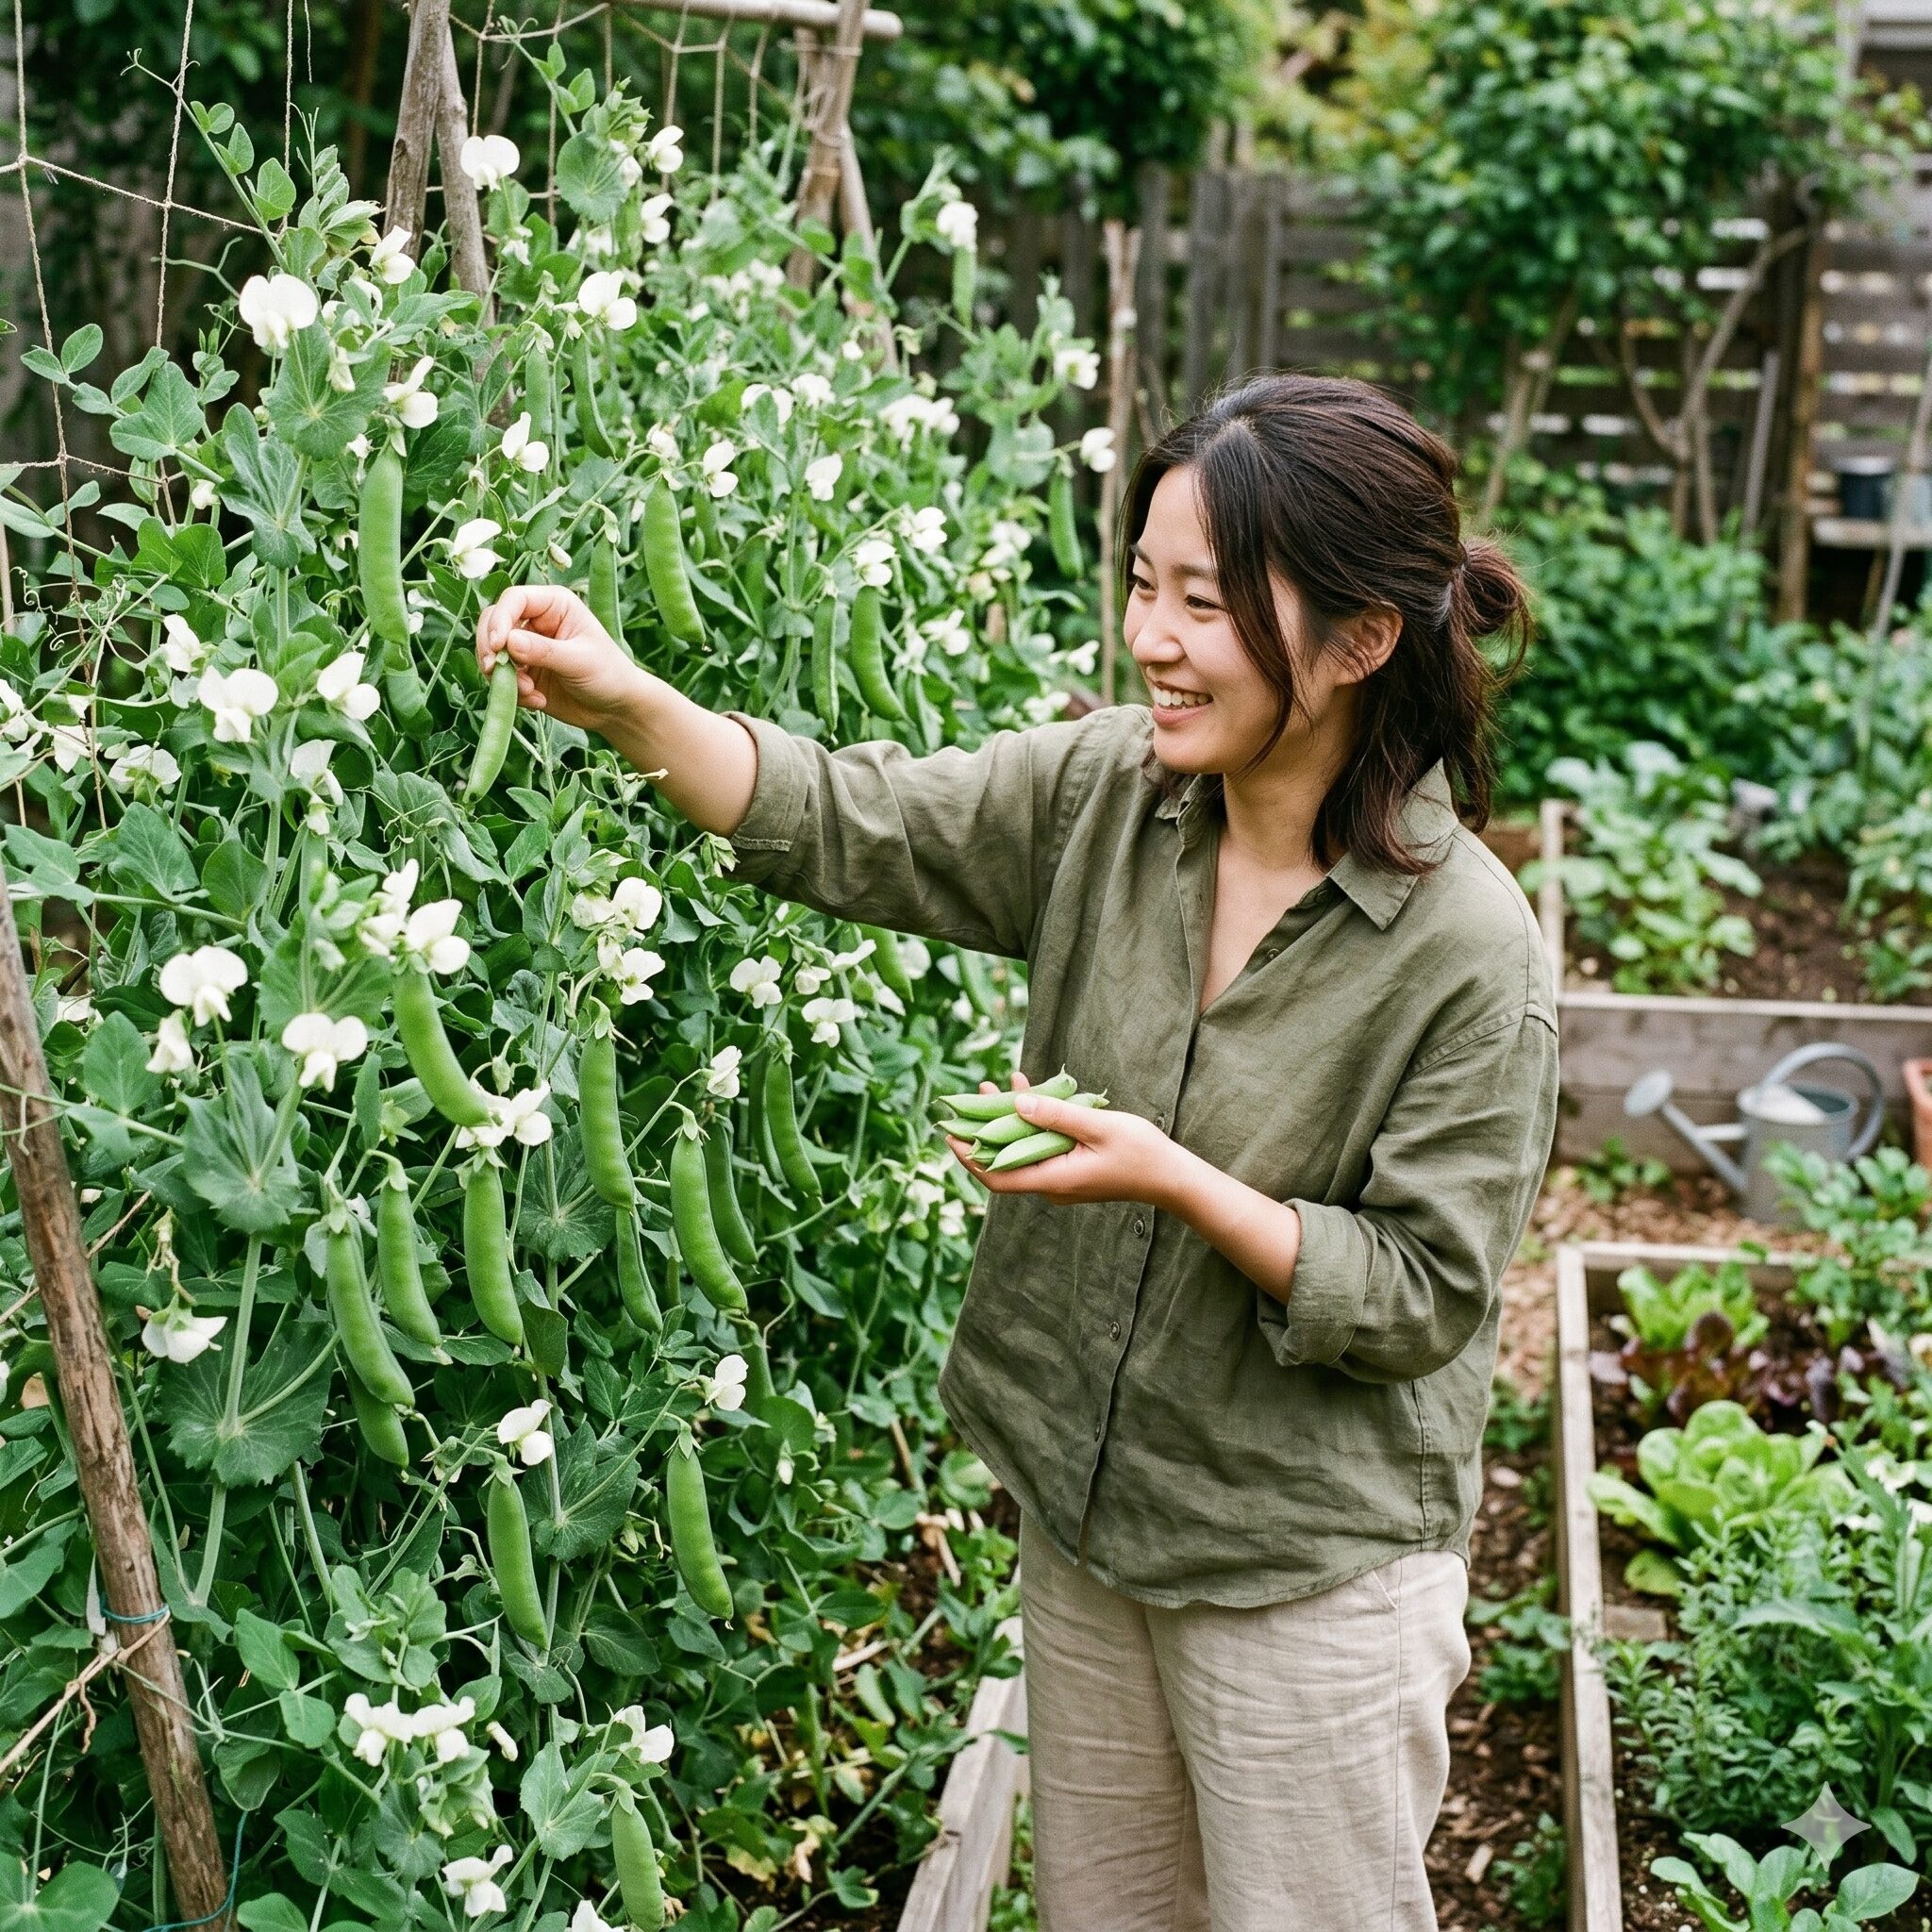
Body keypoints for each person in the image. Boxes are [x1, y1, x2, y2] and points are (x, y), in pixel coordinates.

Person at [475, 372, 1558, 1932]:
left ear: (1359, 640)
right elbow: (853, 822)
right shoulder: (1111, 794)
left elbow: (1418, 1300)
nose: (1152, 639)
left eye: (1206, 601)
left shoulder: (1470, 956)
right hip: (1087, 1515)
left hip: (1302, 1571)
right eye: (1143, 585)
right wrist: (635, 702)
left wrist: (1170, 1174)